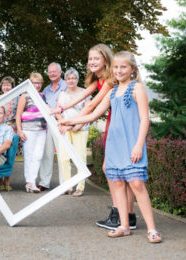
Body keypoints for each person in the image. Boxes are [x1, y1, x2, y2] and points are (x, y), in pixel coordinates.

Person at [60, 51, 161, 243]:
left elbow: (144, 118)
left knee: (137, 184)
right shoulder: (113, 90)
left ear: (132, 69)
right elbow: (92, 114)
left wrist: (139, 144)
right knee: (118, 184)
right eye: (116, 67)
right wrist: (68, 121)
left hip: (132, 144)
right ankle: (124, 226)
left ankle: (152, 229)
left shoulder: (136, 88)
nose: (119, 70)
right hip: (114, 145)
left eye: (123, 67)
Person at [55, 44, 137, 230]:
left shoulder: (109, 81)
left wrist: (72, 122)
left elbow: (92, 107)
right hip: (113, 122)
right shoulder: (98, 80)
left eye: (96, 59)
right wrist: (63, 112)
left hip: (120, 123)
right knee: (117, 170)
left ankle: (121, 214)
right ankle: (126, 215)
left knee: (118, 170)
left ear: (106, 60)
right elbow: (84, 100)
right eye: (90, 58)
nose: (91, 62)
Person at [55, 68, 91, 196]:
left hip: (80, 128)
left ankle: (80, 187)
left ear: (77, 79)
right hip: (65, 129)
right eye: (68, 78)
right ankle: (67, 186)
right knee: (64, 159)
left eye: (73, 78)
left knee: (80, 158)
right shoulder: (62, 94)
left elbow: (88, 111)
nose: (71, 80)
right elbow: (58, 112)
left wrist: (75, 126)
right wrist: (63, 123)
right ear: (65, 80)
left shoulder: (85, 93)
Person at [38, 62, 67, 191]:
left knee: (63, 155)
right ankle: (44, 182)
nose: (52, 74)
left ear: (60, 72)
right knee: (47, 154)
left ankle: (65, 184)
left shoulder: (67, 86)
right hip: (48, 125)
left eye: (55, 71)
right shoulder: (45, 90)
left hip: (62, 123)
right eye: (50, 72)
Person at [16, 73, 48, 193]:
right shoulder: (24, 96)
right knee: (29, 156)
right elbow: (18, 114)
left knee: (38, 156)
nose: (37, 85)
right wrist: (19, 130)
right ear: (30, 83)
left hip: (42, 130)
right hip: (28, 130)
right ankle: (30, 182)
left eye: (39, 83)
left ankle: (32, 181)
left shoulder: (43, 96)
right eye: (34, 82)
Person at [0, 76, 17, 191]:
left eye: (8, 85)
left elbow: (19, 114)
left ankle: (6, 180)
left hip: (12, 128)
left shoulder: (17, 98)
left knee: (9, 155)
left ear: (12, 86)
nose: (6, 87)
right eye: (4, 85)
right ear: (1, 86)